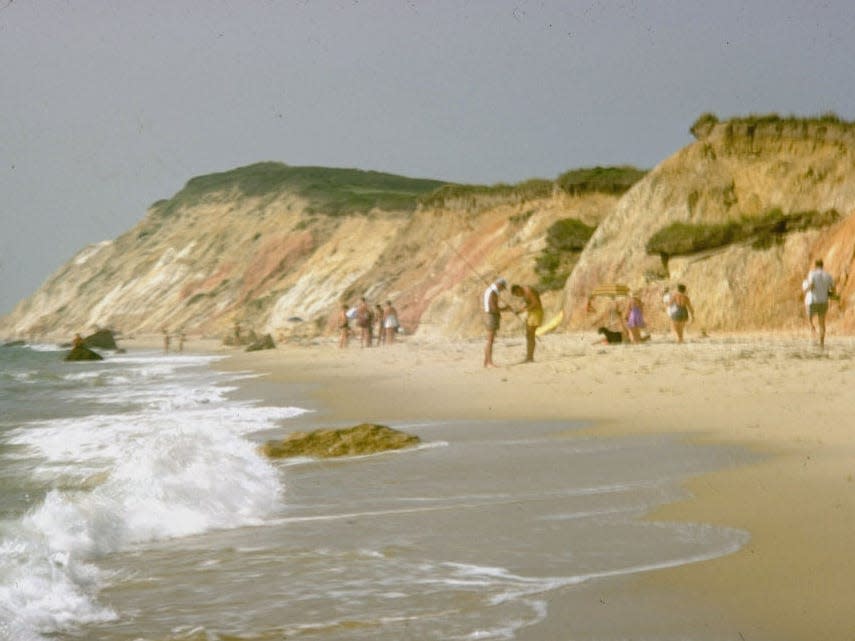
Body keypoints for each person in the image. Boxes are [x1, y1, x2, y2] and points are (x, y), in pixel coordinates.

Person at [803, 258, 835, 347]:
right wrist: (830, 294)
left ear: (815, 265)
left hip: (813, 301)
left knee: (809, 316)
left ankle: (812, 326)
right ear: (822, 265)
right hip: (824, 301)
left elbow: (811, 284)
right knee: (822, 323)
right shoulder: (828, 275)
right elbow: (833, 288)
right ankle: (821, 343)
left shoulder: (812, 274)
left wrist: (806, 290)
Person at [511, 284, 543, 362]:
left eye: (517, 294)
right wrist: (519, 310)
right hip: (531, 313)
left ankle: (530, 357)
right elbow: (529, 304)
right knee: (529, 335)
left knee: (530, 334)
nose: (518, 296)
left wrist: (522, 311)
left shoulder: (528, 291)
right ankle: (529, 356)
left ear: (518, 289)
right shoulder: (524, 292)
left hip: (536, 313)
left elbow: (535, 303)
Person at [483, 277, 509, 367]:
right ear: (500, 285)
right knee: (490, 341)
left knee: (490, 340)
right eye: (502, 288)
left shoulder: (491, 291)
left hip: (491, 316)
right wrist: (505, 309)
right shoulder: (493, 292)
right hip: (492, 316)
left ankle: (486, 362)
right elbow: (493, 308)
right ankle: (489, 362)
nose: (502, 290)